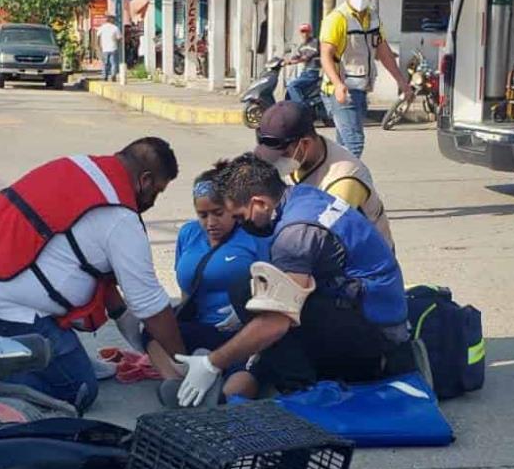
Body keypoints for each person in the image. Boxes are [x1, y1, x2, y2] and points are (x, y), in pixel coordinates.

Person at [0, 138, 187, 413]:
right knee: (77, 389)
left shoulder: (80, 167)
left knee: (68, 288)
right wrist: (186, 362)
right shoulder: (120, 219)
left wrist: (147, 346)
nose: (153, 200)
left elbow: (115, 302)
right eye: (157, 191)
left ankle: (43, 359)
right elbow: (150, 305)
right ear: (144, 180)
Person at [172, 154, 409, 408]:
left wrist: (212, 363)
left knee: (259, 302)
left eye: (241, 217)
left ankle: (303, 392)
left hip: (376, 335)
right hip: (372, 313)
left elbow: (276, 322)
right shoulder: (301, 196)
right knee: (252, 287)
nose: (243, 225)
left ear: (259, 203)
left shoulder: (296, 233)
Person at [146, 163, 271, 381]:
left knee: (240, 384)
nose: (211, 223)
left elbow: (273, 288)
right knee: (151, 329)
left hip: (241, 335)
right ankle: (176, 379)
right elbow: (186, 291)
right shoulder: (189, 234)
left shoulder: (255, 238)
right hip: (201, 328)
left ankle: (217, 381)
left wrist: (249, 313)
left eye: (218, 213)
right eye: (203, 215)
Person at [254, 101, 394, 249]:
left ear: (305, 144)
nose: (276, 161)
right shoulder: (303, 156)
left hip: (360, 262)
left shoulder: (343, 180)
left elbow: (319, 239)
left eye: (283, 154)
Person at [319, 0, 413, 159]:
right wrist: (338, 84)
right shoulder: (337, 18)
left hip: (360, 89)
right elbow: (326, 56)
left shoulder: (373, 18)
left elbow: (384, 52)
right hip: (340, 91)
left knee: (344, 147)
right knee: (354, 143)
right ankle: (347, 184)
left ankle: (333, 183)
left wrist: (402, 82)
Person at [285, 24, 320, 106]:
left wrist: (294, 61)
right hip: (305, 73)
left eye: (307, 31)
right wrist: (283, 61)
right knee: (289, 89)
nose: (305, 34)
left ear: (310, 32)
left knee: (292, 86)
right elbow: (296, 56)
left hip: (312, 72)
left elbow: (307, 57)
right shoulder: (302, 46)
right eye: (303, 32)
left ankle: (301, 107)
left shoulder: (314, 42)